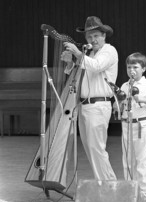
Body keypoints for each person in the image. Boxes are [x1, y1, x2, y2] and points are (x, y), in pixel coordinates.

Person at [61, 16, 118, 180]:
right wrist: (70, 63)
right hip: (84, 106)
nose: (93, 40)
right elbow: (78, 78)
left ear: (104, 36)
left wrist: (78, 54)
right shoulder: (90, 54)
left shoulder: (109, 50)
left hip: (99, 106)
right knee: (91, 149)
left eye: (96, 36)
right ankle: (104, 185)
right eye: (89, 37)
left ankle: (109, 186)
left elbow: (97, 66)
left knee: (97, 149)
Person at [117, 52, 146, 202]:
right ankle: (130, 194)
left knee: (142, 161)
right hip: (126, 124)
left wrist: (142, 98)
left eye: (135, 67)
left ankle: (145, 197)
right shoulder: (124, 85)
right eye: (129, 67)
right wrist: (119, 104)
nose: (131, 70)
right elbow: (117, 106)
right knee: (128, 161)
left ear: (143, 68)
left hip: (142, 124)